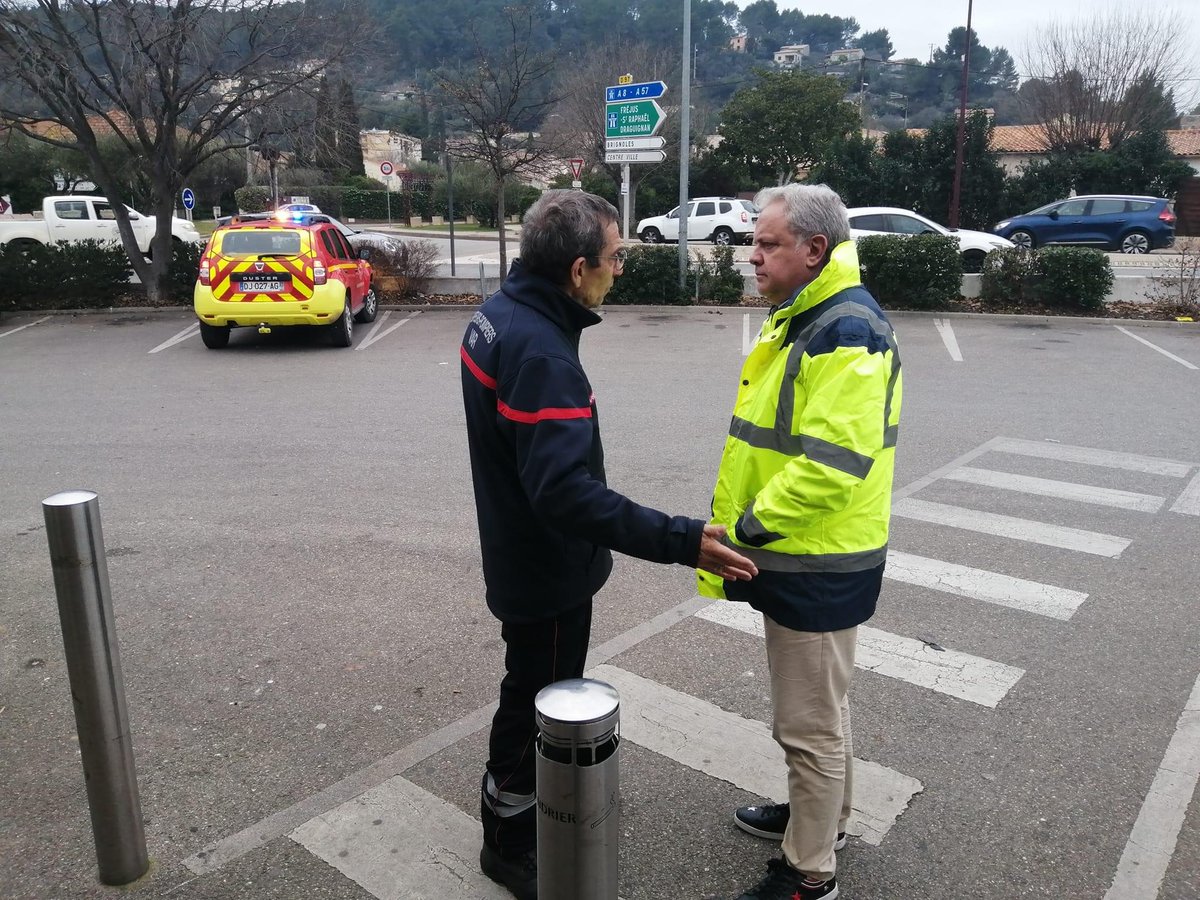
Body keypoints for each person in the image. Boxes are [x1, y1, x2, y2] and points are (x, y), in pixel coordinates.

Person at [459, 189, 758, 900]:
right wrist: (684, 540)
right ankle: (510, 842)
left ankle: (507, 821)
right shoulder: (542, 354)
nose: (620, 271)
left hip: (517, 552)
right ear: (578, 268)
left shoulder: (499, 316)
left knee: (523, 687)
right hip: (549, 569)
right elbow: (565, 494)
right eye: (616, 258)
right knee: (536, 699)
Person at [697, 183, 903, 900]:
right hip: (806, 554)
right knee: (823, 710)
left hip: (816, 561)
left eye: (767, 244)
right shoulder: (811, 315)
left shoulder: (844, 331)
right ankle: (822, 819)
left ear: (815, 250)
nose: (750, 255)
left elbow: (832, 466)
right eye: (755, 242)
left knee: (807, 725)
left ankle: (809, 874)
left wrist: (746, 529)